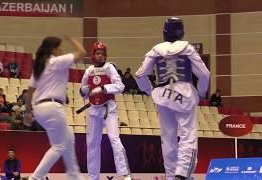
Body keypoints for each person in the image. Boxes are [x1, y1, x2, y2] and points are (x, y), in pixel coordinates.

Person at [135, 17, 210, 180]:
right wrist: (202, 92)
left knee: (168, 138)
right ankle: (182, 174)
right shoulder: (187, 48)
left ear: (164, 32)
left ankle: (171, 176)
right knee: (187, 135)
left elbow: (140, 75)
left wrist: (150, 91)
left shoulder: (155, 50)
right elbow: (204, 74)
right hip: (184, 92)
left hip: (162, 94)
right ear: (181, 32)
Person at [23, 35, 86, 180]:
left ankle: (74, 175)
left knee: (68, 138)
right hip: (52, 107)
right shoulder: (56, 61)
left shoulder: (39, 67)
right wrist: (72, 38)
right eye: (59, 46)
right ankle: (35, 178)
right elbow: (82, 53)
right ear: (53, 49)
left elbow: (30, 93)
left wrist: (27, 112)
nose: (62, 49)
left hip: (40, 109)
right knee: (59, 146)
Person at [79, 42, 131, 180]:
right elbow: (83, 92)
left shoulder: (110, 68)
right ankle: (93, 177)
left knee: (114, 139)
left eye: (102, 53)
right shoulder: (89, 70)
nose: (100, 55)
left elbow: (120, 86)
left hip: (108, 108)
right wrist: (83, 91)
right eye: (98, 53)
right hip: (93, 111)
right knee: (92, 144)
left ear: (105, 56)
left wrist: (104, 88)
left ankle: (125, 174)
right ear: (93, 55)